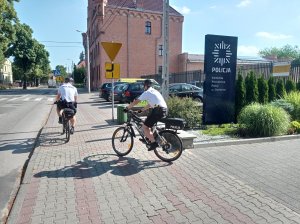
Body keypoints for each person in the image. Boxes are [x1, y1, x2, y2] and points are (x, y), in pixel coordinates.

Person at [125, 79, 167, 151]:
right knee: (148, 123)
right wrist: (141, 110)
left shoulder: (147, 92)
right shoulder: (154, 91)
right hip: (163, 110)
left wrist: (127, 108)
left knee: (145, 127)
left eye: (143, 86)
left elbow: (136, 102)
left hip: (157, 110)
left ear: (145, 86)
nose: (143, 87)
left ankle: (154, 143)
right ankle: (148, 138)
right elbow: (150, 104)